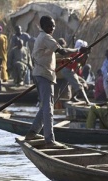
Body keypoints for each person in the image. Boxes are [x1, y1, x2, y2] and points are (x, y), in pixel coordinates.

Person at [24, 15, 89, 149]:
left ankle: (32, 133)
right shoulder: (46, 38)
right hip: (44, 76)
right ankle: (50, 139)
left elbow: (56, 56)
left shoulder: (42, 38)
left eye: (53, 26)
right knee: (48, 108)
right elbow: (63, 51)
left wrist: (73, 57)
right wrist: (78, 50)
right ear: (44, 26)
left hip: (43, 75)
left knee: (45, 107)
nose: (53, 28)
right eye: (50, 26)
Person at [56, 38, 90, 104]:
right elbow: (77, 60)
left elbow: (82, 64)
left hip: (71, 71)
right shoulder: (76, 52)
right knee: (79, 86)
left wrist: (86, 56)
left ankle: (73, 97)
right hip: (66, 71)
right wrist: (84, 55)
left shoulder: (81, 53)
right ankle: (87, 101)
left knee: (83, 83)